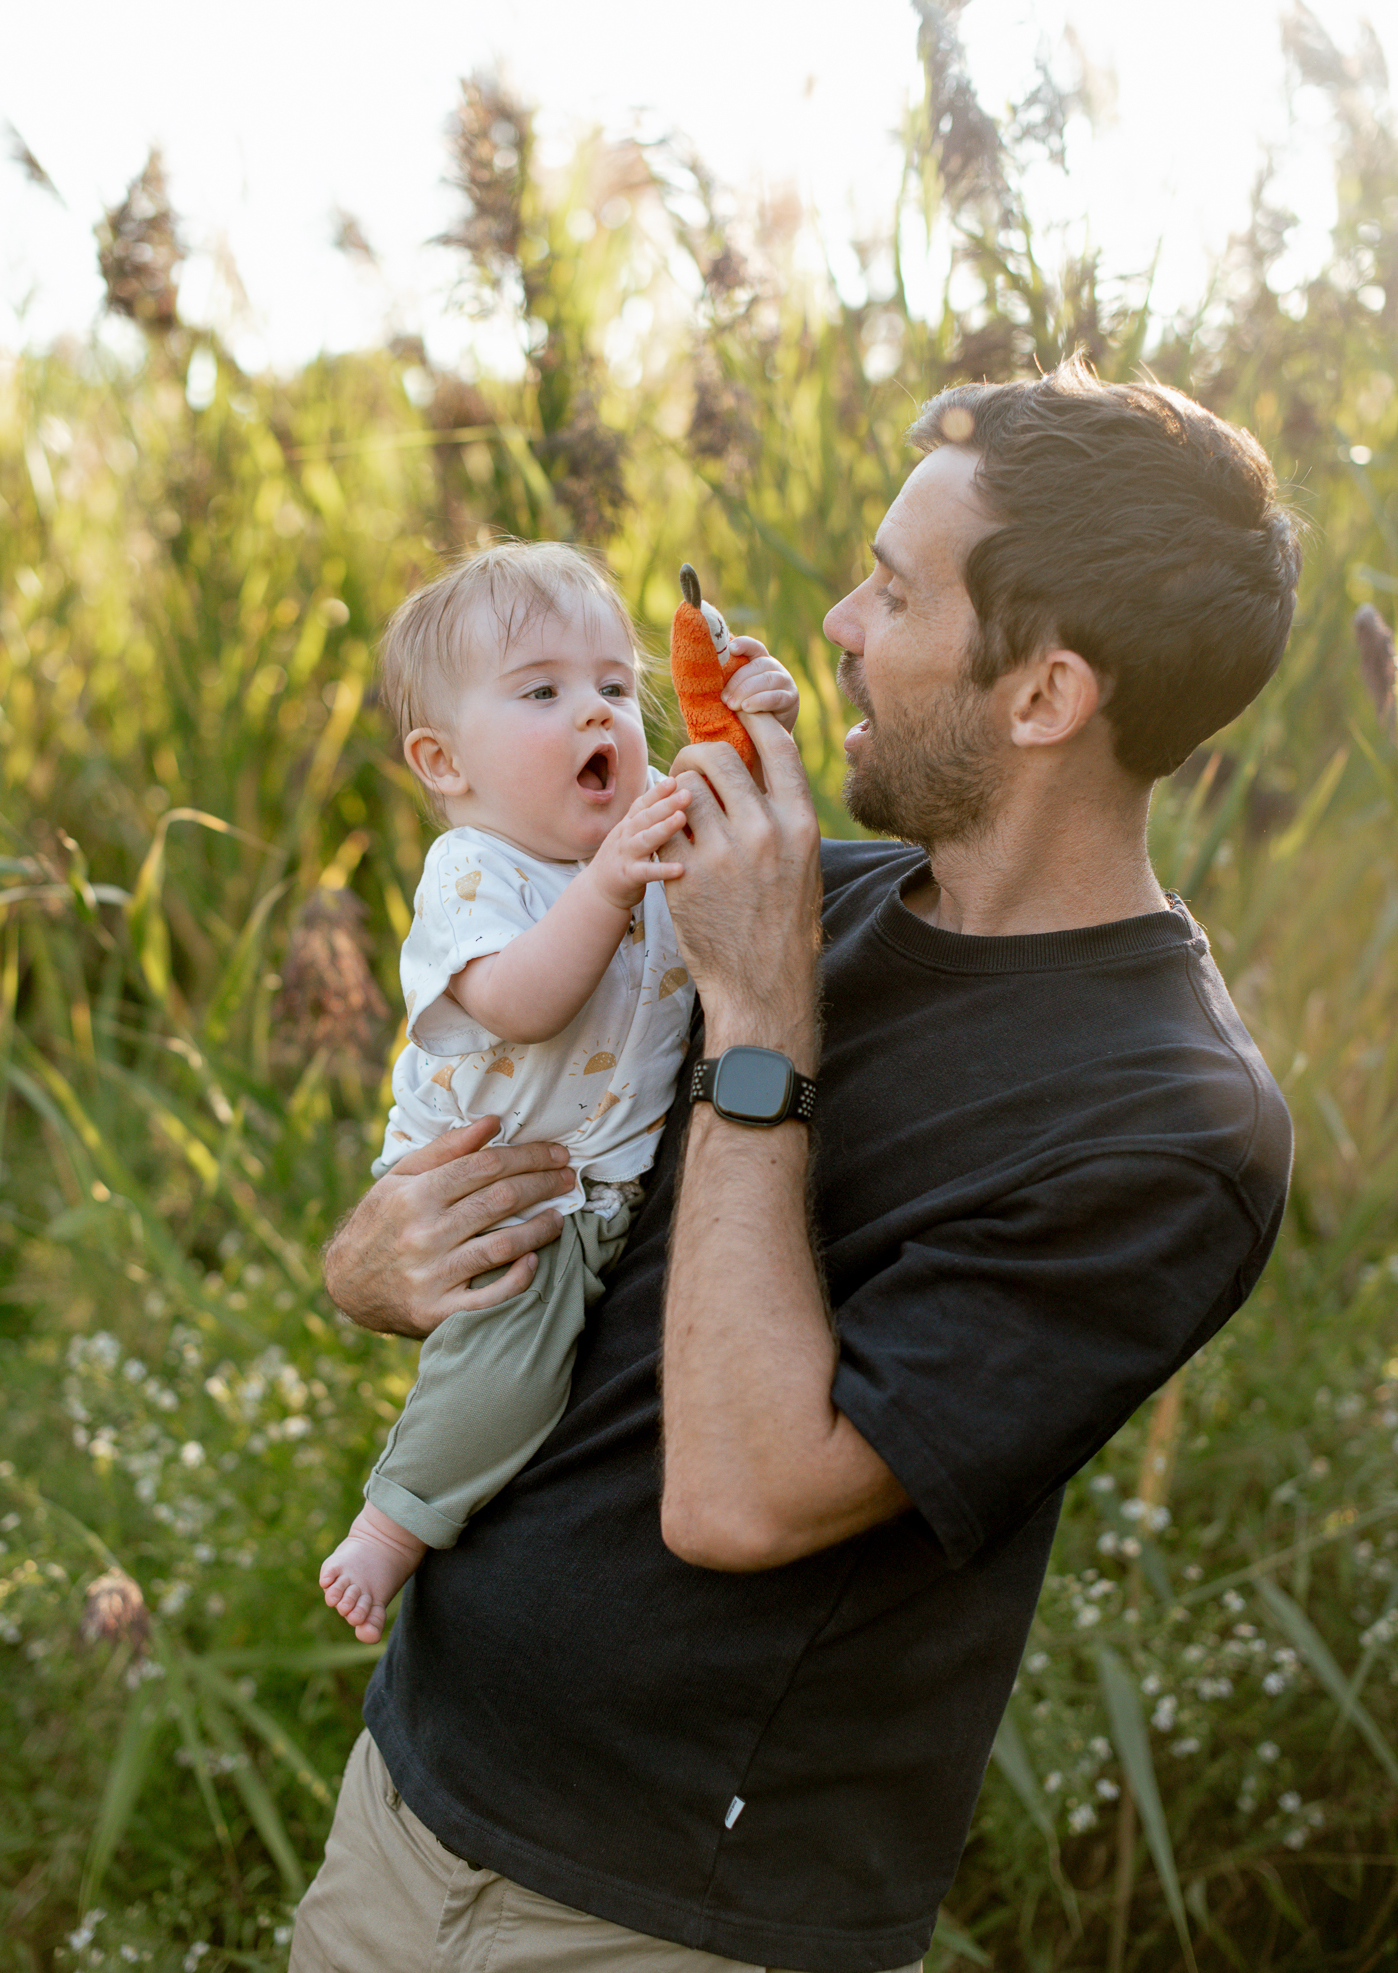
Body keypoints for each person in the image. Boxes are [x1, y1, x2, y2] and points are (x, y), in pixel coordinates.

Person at [291, 359, 1300, 1973]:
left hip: (664, 1916)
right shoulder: (802, 887)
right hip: (412, 1792)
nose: (838, 618)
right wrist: (374, 1257)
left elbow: (746, 1498)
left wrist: (763, 1014)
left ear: (1044, 696)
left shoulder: (1167, 1124)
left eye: (895, 591)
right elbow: (496, 1098)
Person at [317, 541, 800, 1645]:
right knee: (508, 1372)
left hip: (599, 1187)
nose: (597, 714)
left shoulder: (642, 843)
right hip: (499, 1194)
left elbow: (762, 848)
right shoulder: (474, 873)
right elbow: (521, 1000)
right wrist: (610, 881)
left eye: (615, 687)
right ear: (445, 761)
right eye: (542, 691)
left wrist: (755, 727)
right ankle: (392, 1524)